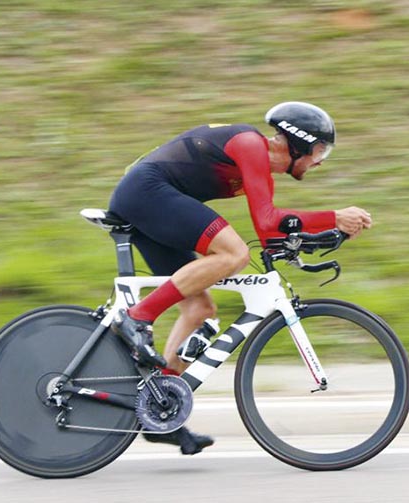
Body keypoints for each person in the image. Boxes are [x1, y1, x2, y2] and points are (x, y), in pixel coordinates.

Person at [107, 102, 373, 454]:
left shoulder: (259, 166)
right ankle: (137, 317)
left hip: (152, 199)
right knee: (233, 253)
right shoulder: (251, 146)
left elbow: (270, 235)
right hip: (147, 192)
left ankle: (160, 412)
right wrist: (333, 216)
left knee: (200, 309)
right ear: (299, 144)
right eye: (321, 150)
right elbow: (266, 222)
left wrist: (319, 238)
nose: (322, 160)